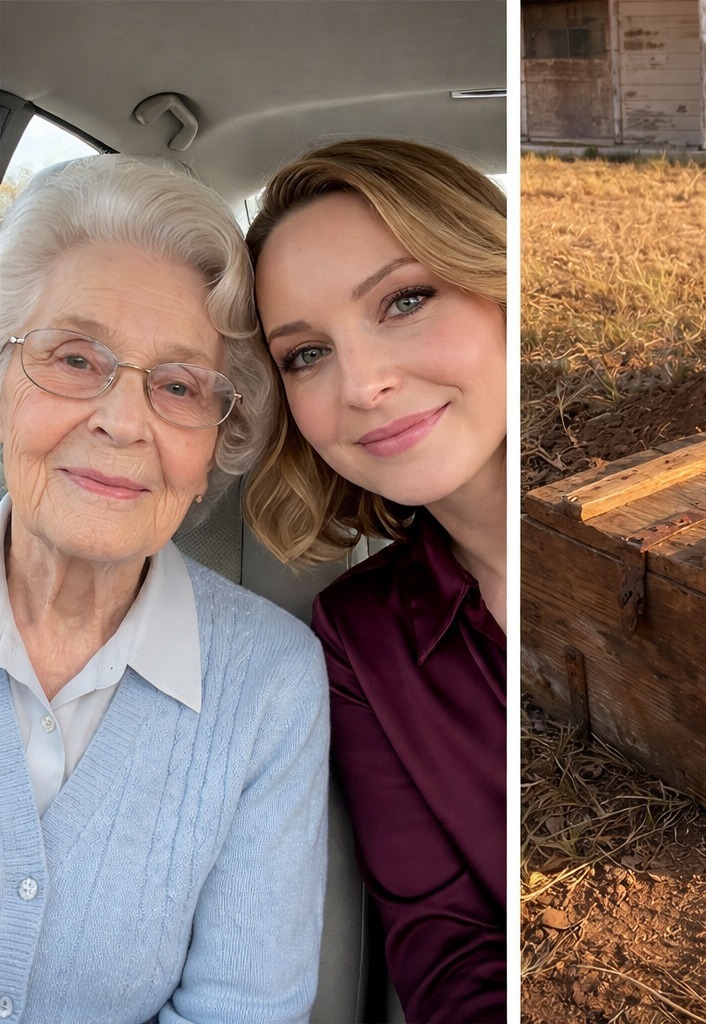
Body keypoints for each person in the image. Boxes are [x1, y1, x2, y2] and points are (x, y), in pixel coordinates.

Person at [0, 156, 329, 1024]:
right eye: (75, 357)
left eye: (179, 385)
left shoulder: (271, 682)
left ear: (216, 442)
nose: (122, 419)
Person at [243, 139, 506, 1024]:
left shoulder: (647, 539)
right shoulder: (358, 640)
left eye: (405, 300)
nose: (363, 385)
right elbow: (445, 947)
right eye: (306, 355)